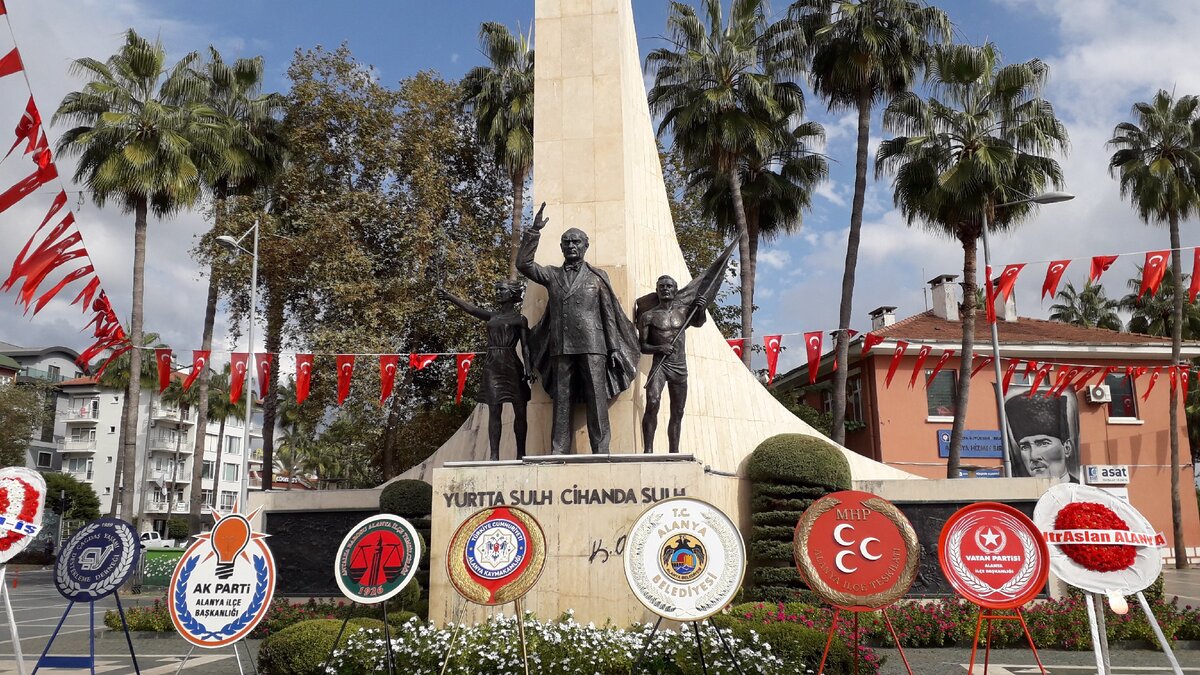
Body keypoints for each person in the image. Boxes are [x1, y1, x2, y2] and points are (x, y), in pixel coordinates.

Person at [517, 203, 640, 454]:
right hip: (560, 345)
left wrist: (614, 348)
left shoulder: (597, 276)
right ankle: (558, 450)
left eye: (576, 242)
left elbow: (608, 314)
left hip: (593, 345)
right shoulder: (551, 275)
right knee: (561, 400)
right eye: (567, 242)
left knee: (597, 398)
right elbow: (524, 264)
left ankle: (601, 449)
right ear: (561, 247)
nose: (571, 246)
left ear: (585, 246)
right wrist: (534, 232)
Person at [436, 281, 533, 461]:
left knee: (520, 411)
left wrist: (529, 368)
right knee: (494, 410)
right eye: (497, 289)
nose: (497, 292)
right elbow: (472, 310)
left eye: (502, 289)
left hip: (512, 365)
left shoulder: (519, 319)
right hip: (492, 366)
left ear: (512, 293)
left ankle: (521, 453)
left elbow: (526, 346)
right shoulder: (492, 316)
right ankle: (494, 455)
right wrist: (450, 297)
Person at [636, 275, 708, 454]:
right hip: (660, 366)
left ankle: (674, 452)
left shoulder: (683, 312)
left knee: (678, 411)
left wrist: (701, 308)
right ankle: (648, 451)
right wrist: (659, 347)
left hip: (679, 366)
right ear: (657, 290)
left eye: (669, 286)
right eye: (662, 286)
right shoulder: (648, 316)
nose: (665, 289)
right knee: (653, 402)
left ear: (675, 291)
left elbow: (699, 322)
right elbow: (642, 346)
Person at [1003, 392, 1080, 482]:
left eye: (1043, 443)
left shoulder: (1080, 489)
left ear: (1067, 448)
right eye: (1025, 447)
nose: (1033, 456)